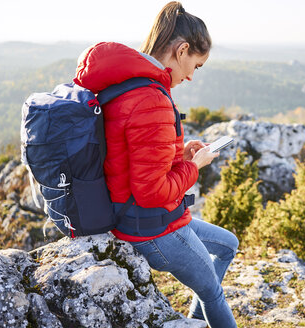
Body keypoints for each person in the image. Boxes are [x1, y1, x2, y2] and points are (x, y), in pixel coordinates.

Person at [73, 2, 238, 327]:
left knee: (228, 244)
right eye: (196, 65)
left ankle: (192, 322)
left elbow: (135, 155)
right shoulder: (152, 99)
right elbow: (152, 192)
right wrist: (196, 166)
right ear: (182, 50)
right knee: (213, 293)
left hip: (138, 215)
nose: (191, 76)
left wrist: (182, 155)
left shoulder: (127, 84)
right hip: (152, 228)